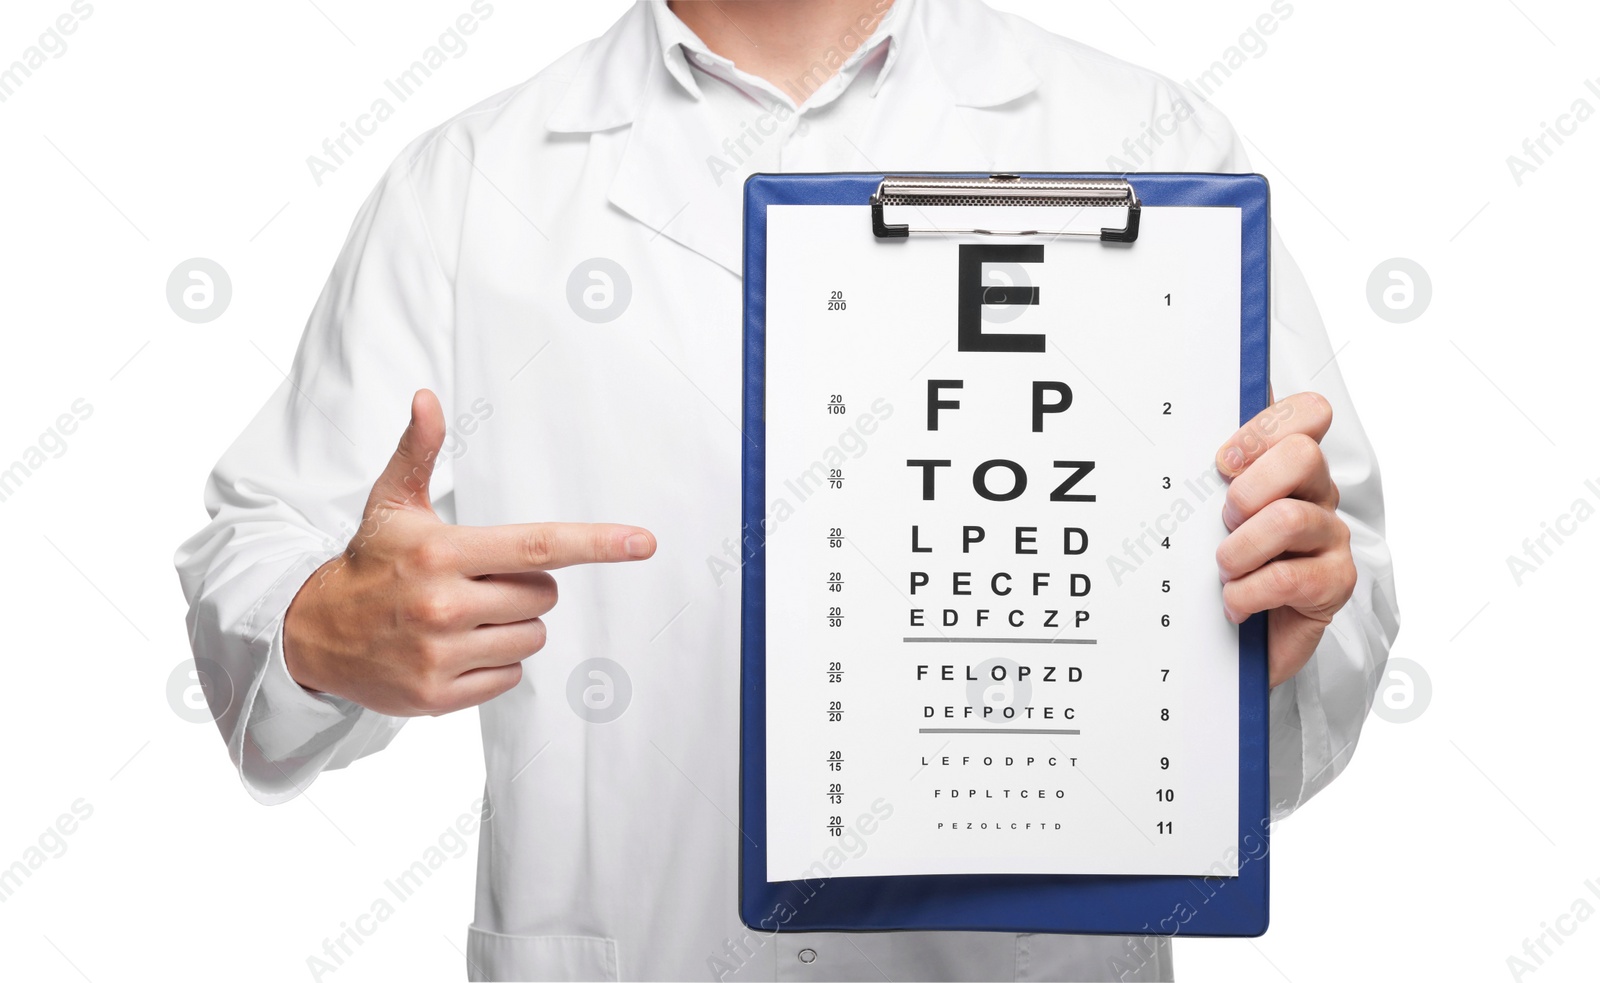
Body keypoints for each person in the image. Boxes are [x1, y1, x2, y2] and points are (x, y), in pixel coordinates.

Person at [174, 1, 1400, 979]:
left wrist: (1279, 628)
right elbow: (262, 548)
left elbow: (1330, 584)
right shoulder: (468, 183)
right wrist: (317, 628)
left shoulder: (1147, 145)